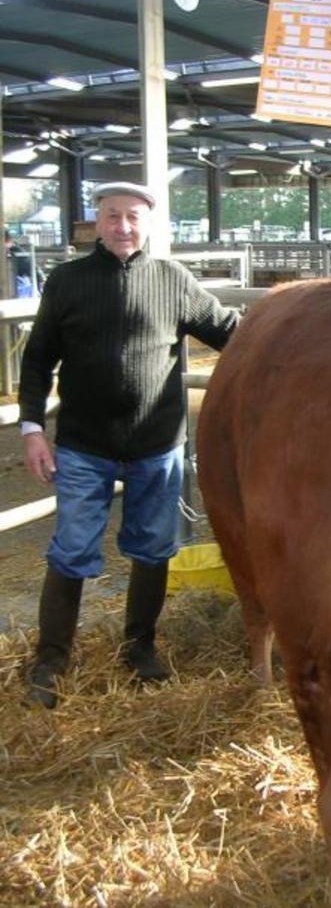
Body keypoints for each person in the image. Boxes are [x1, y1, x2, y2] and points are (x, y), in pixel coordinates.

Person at [18, 182, 239, 708]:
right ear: (97, 220)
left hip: (155, 444)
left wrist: (294, 329)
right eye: (112, 215)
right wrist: (30, 428)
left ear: (149, 223)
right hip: (83, 444)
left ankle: (139, 649)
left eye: (132, 217)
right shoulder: (68, 282)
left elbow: (231, 331)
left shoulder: (172, 279)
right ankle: (51, 660)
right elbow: (38, 359)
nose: (122, 226)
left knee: (153, 546)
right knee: (71, 548)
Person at [4, 229, 46, 297]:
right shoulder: (16, 252)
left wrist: (41, 280)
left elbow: (32, 268)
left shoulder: (17, 253)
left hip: (18, 287)